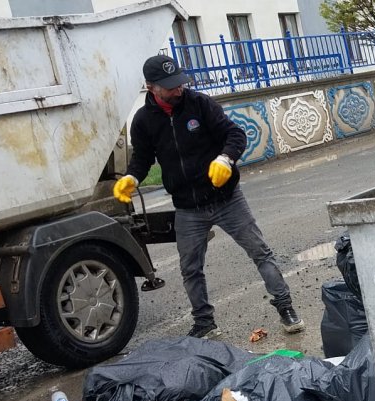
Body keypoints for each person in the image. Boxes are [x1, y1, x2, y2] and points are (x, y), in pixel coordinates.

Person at [114, 54, 303, 339]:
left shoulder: (199, 104)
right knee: (190, 268)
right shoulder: (142, 121)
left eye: (179, 82)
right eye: (170, 86)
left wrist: (226, 159)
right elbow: (142, 158)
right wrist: (131, 177)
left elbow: (235, 134)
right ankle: (204, 323)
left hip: (227, 198)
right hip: (188, 208)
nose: (178, 89)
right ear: (151, 87)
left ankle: (286, 307)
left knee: (260, 252)